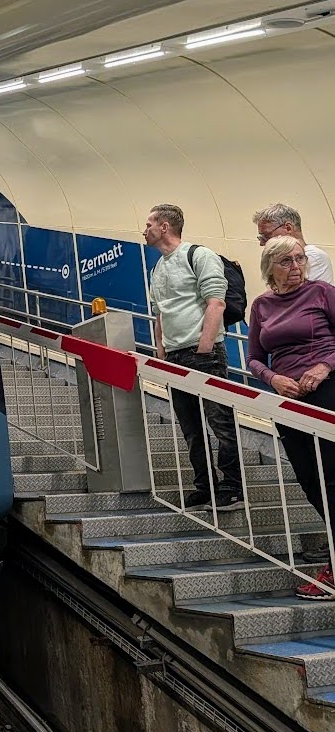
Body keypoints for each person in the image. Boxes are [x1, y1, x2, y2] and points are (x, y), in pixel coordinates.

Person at [247, 236, 335, 599]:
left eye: (299, 259)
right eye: (286, 261)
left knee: (333, 480)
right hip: (288, 400)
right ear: (270, 268)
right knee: (311, 482)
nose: (296, 266)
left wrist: (324, 365)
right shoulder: (262, 305)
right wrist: (273, 378)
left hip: (328, 391)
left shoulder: (322, 293)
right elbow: (253, 358)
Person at [144, 204, 243, 510]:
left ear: (164, 226)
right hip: (173, 356)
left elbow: (216, 303)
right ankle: (205, 484)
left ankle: (232, 486)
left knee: (220, 421)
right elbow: (160, 313)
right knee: (190, 427)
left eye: (148, 224)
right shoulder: (157, 268)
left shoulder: (199, 255)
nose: (144, 230)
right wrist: (160, 352)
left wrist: (204, 347)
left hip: (204, 353)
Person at [253, 204, 334, 284]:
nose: (262, 243)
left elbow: (299, 295)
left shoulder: (313, 257)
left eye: (266, 235)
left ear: (288, 228)